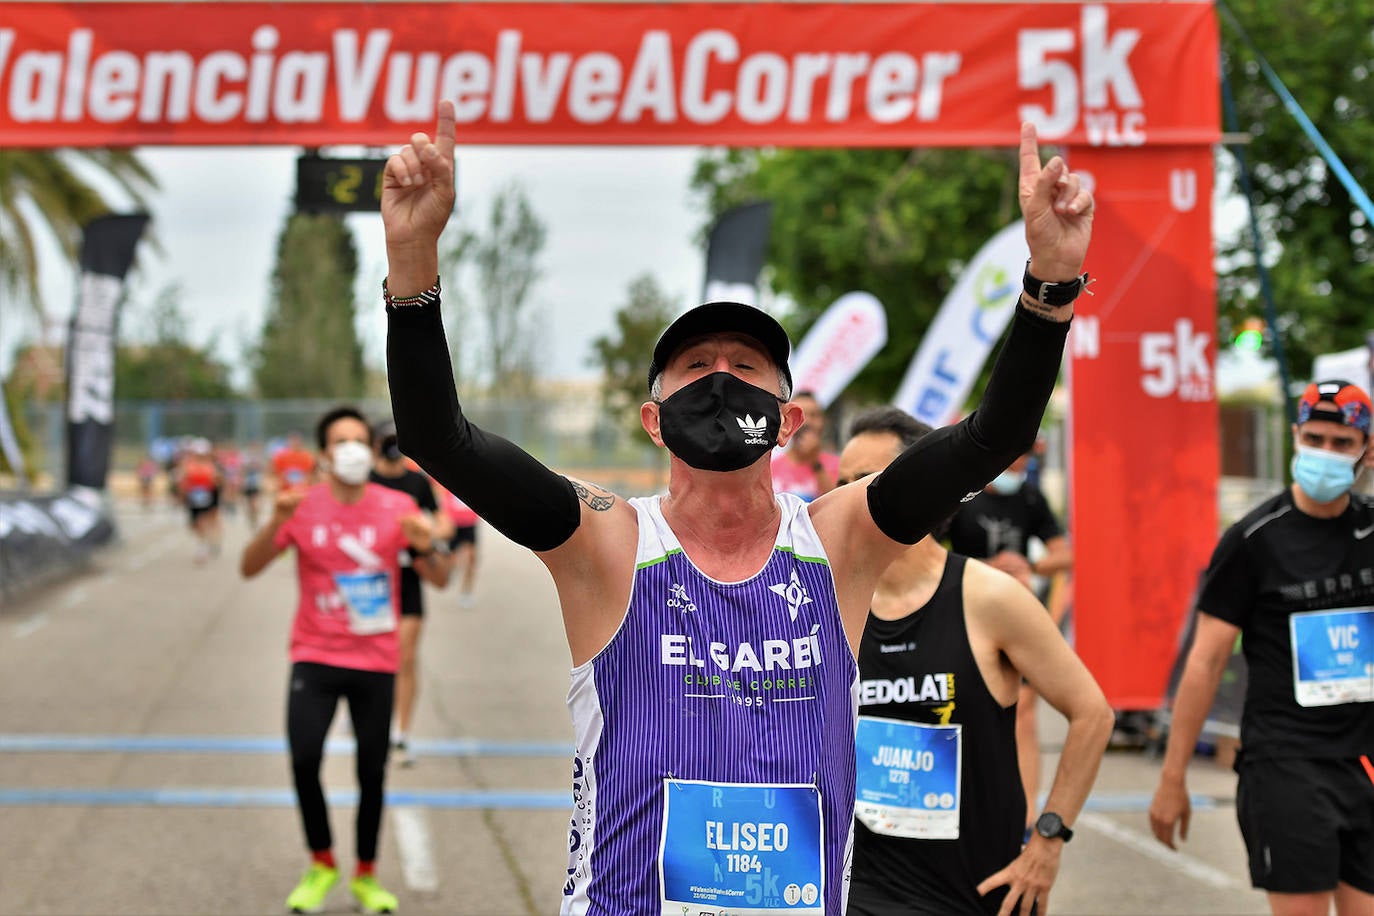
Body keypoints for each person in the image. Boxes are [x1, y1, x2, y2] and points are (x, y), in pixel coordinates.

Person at [383, 102, 1092, 912]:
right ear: (653, 420)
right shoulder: (605, 540)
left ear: (790, 420)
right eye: (694, 365)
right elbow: (439, 440)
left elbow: (991, 437)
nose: (721, 380)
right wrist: (412, 262)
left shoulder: (840, 537)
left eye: (747, 365)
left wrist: (1049, 291)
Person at [838, 406, 1112, 916]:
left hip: (976, 893)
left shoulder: (989, 599)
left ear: (921, 484)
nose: (852, 497)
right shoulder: (830, 605)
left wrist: (1048, 842)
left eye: (868, 480)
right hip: (862, 893)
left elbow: (1092, 713)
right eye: (842, 482)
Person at [1149, 379, 1374, 916]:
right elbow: (1204, 663)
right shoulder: (1254, 539)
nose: (1326, 453)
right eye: (1314, 438)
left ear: (1367, 449)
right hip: (1286, 762)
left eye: (1342, 444)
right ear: (1295, 436)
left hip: (1364, 760)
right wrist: (1173, 777)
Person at [240, 406, 441, 915]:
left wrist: (427, 547)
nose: (350, 448)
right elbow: (249, 567)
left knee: (371, 772)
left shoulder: (397, 506)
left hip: (375, 659)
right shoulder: (301, 506)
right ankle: (322, 862)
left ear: (371, 450)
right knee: (305, 758)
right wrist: (275, 522)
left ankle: (366, 876)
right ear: (325, 453)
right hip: (315, 655)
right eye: (339, 440)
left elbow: (437, 577)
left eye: (359, 439)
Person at [946, 447, 1074, 826]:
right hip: (965, 610)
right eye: (1014, 458)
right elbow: (928, 551)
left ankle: (1027, 815)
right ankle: (968, 804)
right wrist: (986, 567)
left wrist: (1029, 565)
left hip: (1018, 615)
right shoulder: (961, 493)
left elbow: (1065, 556)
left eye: (1025, 461)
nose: (1019, 467)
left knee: (1025, 714)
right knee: (965, 708)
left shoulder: (1031, 497)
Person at [368, 419, 452, 767]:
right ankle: (363, 719)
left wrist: (426, 532)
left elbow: (443, 522)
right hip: (368, 578)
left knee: (404, 657)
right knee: (368, 658)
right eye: (386, 439)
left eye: (397, 440)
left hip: (407, 575)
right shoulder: (364, 481)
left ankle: (400, 734)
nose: (392, 445)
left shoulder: (415, 482)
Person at [771, 390, 840, 502]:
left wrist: (815, 463)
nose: (807, 422)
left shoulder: (839, 466)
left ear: (823, 421)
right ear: (787, 421)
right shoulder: (769, 467)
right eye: (800, 415)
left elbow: (838, 505)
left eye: (814, 415)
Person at [178, 438, 222, 564]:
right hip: (193, 499)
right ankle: (206, 542)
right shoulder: (188, 465)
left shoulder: (213, 466)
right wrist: (182, 496)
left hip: (207, 498)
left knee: (204, 522)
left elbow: (217, 483)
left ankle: (203, 547)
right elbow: (184, 482)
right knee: (194, 525)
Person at [441, 488, 480, 609]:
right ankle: (449, 574)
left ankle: (466, 592)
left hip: (469, 523)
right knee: (452, 560)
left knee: (471, 560)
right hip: (454, 524)